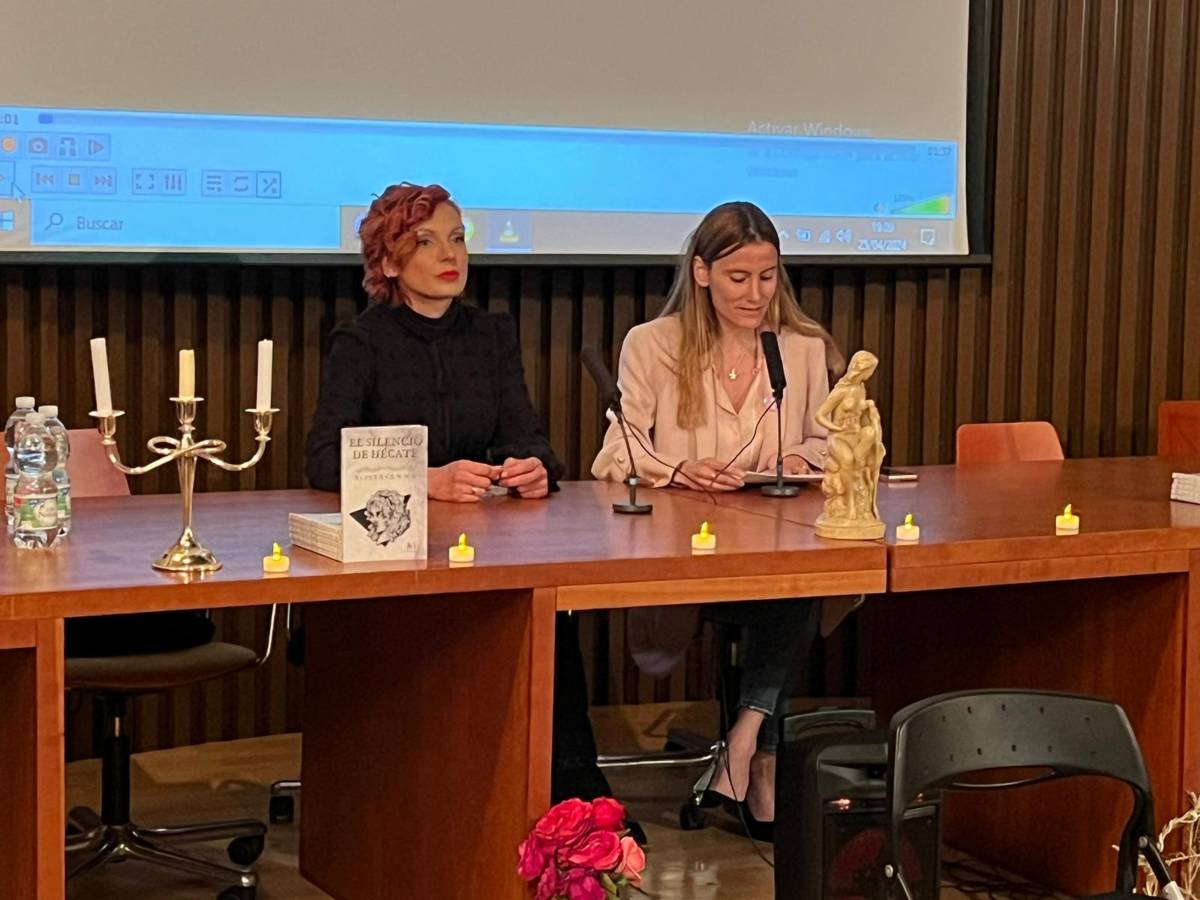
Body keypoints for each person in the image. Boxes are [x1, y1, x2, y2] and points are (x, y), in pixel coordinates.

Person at [304, 182, 618, 813]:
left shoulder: (491, 334)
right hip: (397, 560)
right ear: (389, 262)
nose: (450, 254)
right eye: (425, 242)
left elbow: (531, 437)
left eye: (456, 238)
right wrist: (425, 478)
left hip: (491, 550)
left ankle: (577, 803)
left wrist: (534, 469)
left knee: (546, 615)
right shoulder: (361, 341)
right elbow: (322, 459)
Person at [592, 200, 845, 832]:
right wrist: (678, 470)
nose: (756, 294)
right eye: (739, 278)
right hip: (684, 557)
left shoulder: (804, 348)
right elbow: (616, 450)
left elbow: (836, 443)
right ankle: (757, 755)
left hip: (775, 545)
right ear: (702, 273)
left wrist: (799, 455)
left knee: (806, 573)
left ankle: (747, 743)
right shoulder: (653, 344)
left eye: (767, 277)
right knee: (797, 586)